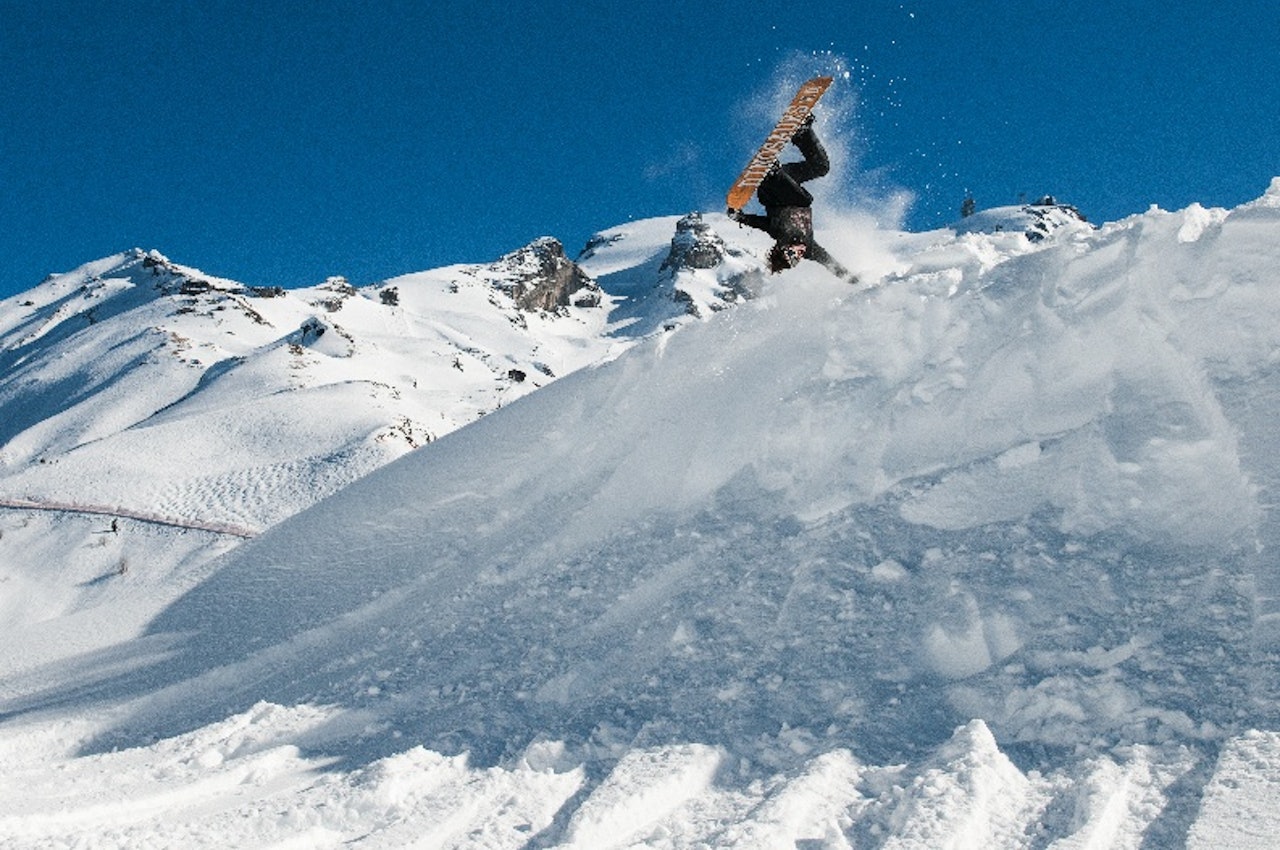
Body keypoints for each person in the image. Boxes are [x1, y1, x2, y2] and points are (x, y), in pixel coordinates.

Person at [729, 116, 855, 281]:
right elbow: (829, 262)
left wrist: (740, 217)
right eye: (797, 259)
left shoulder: (781, 234)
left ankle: (772, 172)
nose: (798, 254)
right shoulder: (810, 248)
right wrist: (851, 279)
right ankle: (803, 133)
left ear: (783, 247)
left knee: (804, 200)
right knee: (821, 167)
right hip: (787, 181)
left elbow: (761, 223)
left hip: (772, 191)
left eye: (791, 254)